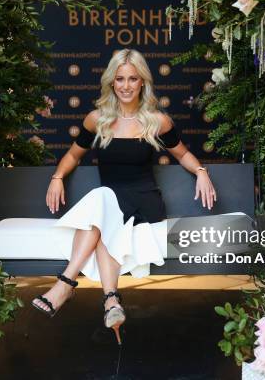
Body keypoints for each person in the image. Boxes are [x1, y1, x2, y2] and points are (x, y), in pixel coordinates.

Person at [31, 49, 216, 344]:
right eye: (120, 79)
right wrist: (57, 178)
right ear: (111, 82)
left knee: (103, 201)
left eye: (133, 79)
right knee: (105, 207)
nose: (126, 85)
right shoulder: (97, 120)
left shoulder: (157, 121)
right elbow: (73, 155)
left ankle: (66, 283)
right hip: (110, 210)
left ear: (142, 82)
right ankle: (111, 301)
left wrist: (202, 171)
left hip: (145, 206)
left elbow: (181, 153)